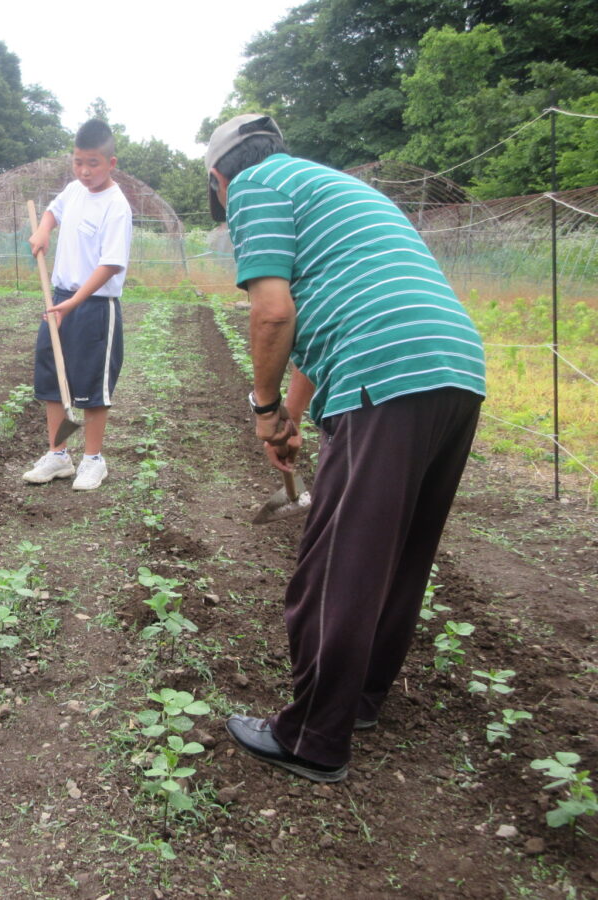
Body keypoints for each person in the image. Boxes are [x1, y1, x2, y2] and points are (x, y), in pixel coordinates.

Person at [208, 114, 487, 783]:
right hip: (455, 367)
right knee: (400, 552)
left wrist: (263, 408)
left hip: (383, 365)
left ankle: (312, 735)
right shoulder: (330, 188)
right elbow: (320, 311)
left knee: (340, 559)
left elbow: (273, 311)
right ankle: (357, 698)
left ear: (219, 179)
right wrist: (292, 418)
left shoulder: (253, 188)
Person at [23, 119, 132, 491]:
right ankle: (58, 455)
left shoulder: (116, 206)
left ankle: (93, 460)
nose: (84, 171)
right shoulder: (73, 191)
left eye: (93, 164)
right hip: (59, 298)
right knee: (53, 377)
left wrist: (75, 302)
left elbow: (110, 264)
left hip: (95, 307)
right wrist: (43, 230)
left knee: (92, 385)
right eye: (78, 162)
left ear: (111, 163)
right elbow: (53, 211)